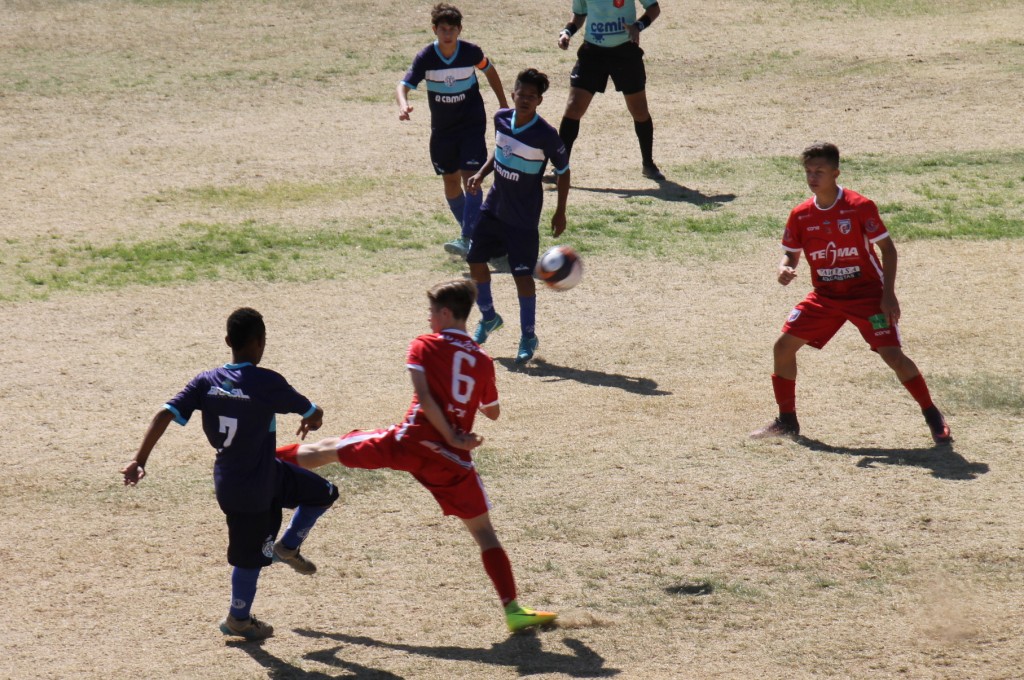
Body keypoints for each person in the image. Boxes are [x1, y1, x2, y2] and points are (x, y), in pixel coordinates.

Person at [276, 280, 558, 633]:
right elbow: (493, 412)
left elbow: (424, 398)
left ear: (445, 313)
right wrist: (460, 427)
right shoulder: (483, 360)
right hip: (451, 462)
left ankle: (258, 462)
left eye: (431, 312)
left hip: (410, 443)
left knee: (328, 449)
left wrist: (449, 432)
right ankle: (513, 610)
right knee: (485, 532)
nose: (429, 319)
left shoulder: (425, 344)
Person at [121, 308, 339, 641]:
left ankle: (287, 547)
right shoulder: (266, 381)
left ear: (227, 341)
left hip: (252, 476)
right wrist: (314, 419)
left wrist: (139, 460)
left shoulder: (205, 382)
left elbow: (165, 413)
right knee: (249, 558)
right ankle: (239, 619)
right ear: (261, 342)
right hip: (249, 490)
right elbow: (313, 411)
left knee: (323, 493)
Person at [750, 142, 953, 446]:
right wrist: (785, 267)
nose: (812, 177)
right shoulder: (801, 214)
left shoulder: (859, 206)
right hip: (825, 297)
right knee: (782, 348)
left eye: (819, 171)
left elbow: (888, 249)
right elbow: (791, 253)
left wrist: (888, 295)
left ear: (836, 173)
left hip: (867, 296)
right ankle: (787, 421)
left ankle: (932, 414)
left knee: (892, 356)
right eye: (808, 171)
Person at [465, 68, 570, 365]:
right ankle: (489, 316)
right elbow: (501, 150)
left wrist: (560, 211)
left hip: (523, 218)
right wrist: (481, 174)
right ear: (513, 95)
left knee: (522, 277)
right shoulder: (500, 118)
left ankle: (528, 336)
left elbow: (564, 172)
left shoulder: (547, 135)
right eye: (521, 94)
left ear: (539, 101)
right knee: (475, 260)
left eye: (531, 96)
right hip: (493, 208)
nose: (525, 100)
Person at [396, 3, 508, 258]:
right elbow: (403, 85)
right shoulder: (426, 57)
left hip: (471, 125)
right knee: (450, 181)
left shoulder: (470, 52)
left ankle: (467, 237)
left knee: (471, 178)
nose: (447, 34)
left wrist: (503, 103)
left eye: (452, 29)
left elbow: (489, 71)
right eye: (443, 29)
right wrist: (403, 104)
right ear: (434, 30)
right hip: (443, 130)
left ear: (459, 30)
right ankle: (478, 234)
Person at [555, 0, 664, 180]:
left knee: (639, 110)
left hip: (625, 51)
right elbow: (579, 14)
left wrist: (638, 26)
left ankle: (648, 164)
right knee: (574, 107)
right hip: (593, 52)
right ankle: (560, 168)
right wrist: (567, 32)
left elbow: (653, 8)